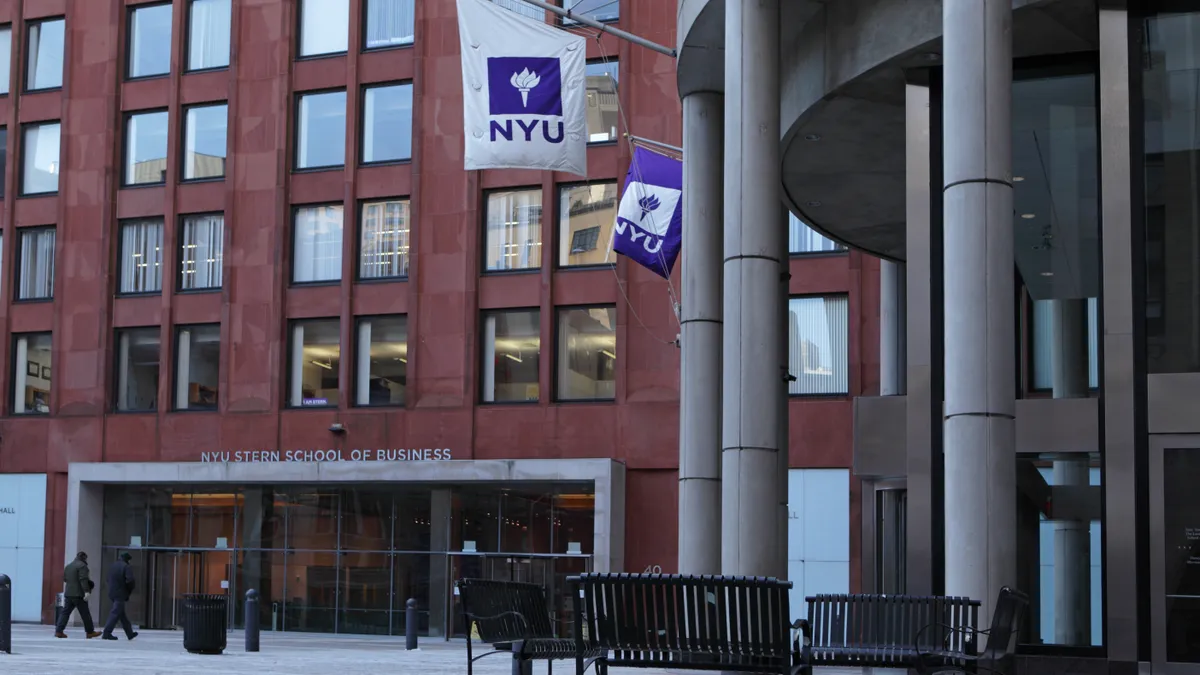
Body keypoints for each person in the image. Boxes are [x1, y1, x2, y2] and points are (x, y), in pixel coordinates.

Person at [54, 551, 102, 639]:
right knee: (85, 614)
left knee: (65, 613)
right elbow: (83, 579)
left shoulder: (68, 566)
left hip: (69, 593)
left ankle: (59, 631)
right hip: (79, 594)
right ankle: (90, 632)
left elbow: (65, 579)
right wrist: (86, 591)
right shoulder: (82, 566)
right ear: (84, 558)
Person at [102, 552, 138, 641]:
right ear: (127, 559)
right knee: (115, 613)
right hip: (120, 593)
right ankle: (107, 633)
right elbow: (130, 580)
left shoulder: (113, 566)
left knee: (121, 614)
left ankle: (129, 633)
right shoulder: (126, 567)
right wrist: (129, 590)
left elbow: (107, 579)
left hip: (112, 592)